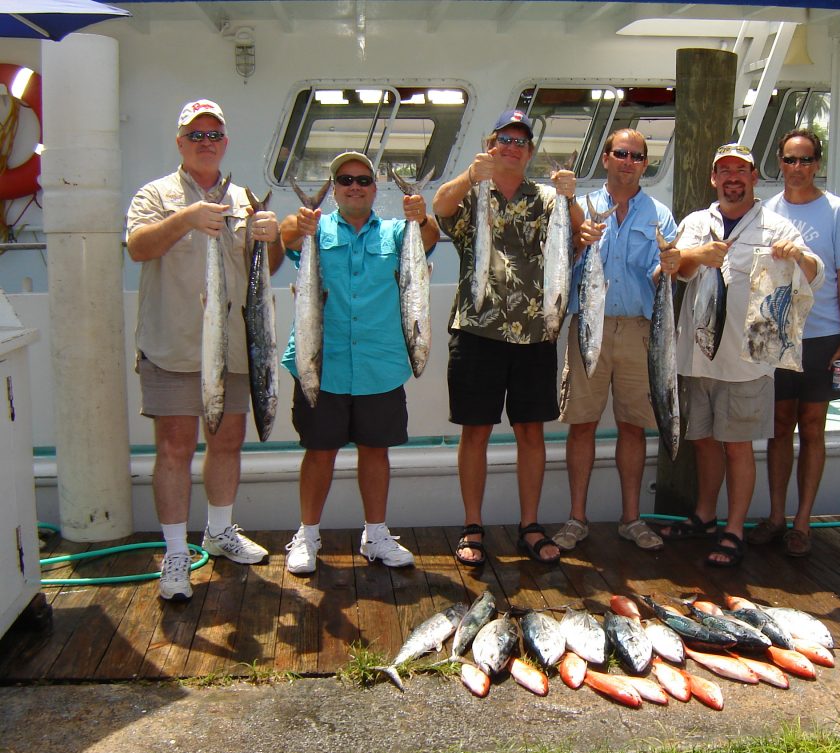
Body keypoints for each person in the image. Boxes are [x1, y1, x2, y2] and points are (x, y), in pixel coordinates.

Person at [126, 99, 284, 601]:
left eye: (214, 134)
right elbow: (138, 247)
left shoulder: (245, 198)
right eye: (196, 135)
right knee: (174, 448)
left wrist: (272, 236)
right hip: (172, 344)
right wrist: (187, 218)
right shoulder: (156, 194)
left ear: (226, 141)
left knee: (227, 441)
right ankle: (174, 553)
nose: (206, 142)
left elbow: (269, 268)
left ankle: (219, 532)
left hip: (234, 348)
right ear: (180, 142)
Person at [658, 143, 823, 568]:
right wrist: (696, 254)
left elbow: (814, 275)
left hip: (749, 357)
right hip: (698, 353)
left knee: (738, 447)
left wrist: (798, 256)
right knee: (706, 443)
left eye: (741, 171)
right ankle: (704, 515)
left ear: (753, 177)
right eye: (724, 171)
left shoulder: (775, 225)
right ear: (714, 178)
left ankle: (734, 530)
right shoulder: (697, 222)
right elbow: (672, 269)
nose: (733, 178)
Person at [432, 109, 583, 566]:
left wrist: (571, 195)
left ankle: (529, 525)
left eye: (520, 142)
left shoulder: (547, 199)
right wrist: (469, 174)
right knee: (475, 431)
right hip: (477, 331)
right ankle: (473, 525)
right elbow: (440, 207)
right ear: (490, 145)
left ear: (530, 152)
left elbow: (580, 231)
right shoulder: (473, 193)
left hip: (536, 334)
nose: (512, 148)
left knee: (530, 431)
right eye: (504, 140)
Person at [278, 151, 441, 574]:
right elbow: (283, 238)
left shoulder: (394, 232)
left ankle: (376, 534)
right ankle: (308, 535)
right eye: (346, 180)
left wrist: (421, 217)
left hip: (378, 363)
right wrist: (300, 221)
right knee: (318, 452)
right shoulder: (315, 228)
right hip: (322, 361)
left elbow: (428, 240)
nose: (355, 187)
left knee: (376, 452)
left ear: (374, 188)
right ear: (334, 189)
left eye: (363, 180)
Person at [551, 128, 677, 553]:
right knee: (582, 424)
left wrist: (668, 266)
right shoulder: (577, 207)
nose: (628, 161)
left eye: (637, 156)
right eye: (620, 153)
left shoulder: (660, 214)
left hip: (640, 332)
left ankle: (631, 518)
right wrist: (575, 238)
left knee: (633, 426)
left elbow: (665, 273)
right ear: (606, 158)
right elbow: (556, 260)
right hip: (589, 323)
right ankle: (576, 518)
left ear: (645, 164)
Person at [754, 129, 840, 557]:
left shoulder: (838, 211)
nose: (797, 168)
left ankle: (803, 523)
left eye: (805, 160)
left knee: (813, 427)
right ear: (778, 163)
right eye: (789, 160)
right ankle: (777, 517)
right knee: (779, 428)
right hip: (777, 336)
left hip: (824, 336)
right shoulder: (765, 211)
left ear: (818, 163)